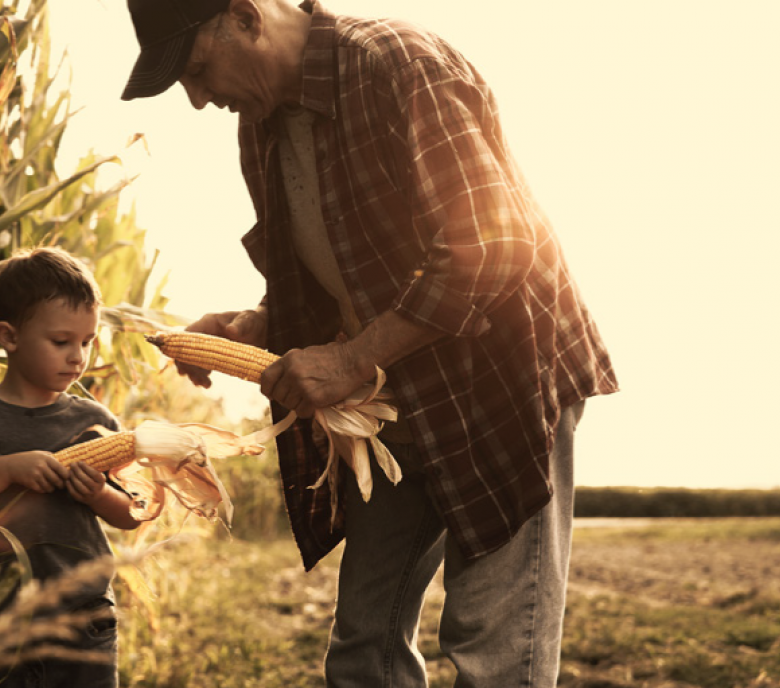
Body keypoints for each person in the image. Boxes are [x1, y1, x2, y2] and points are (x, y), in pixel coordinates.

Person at [121, 0, 619, 685]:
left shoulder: (399, 66)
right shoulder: (260, 122)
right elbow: (335, 269)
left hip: (500, 381)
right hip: (393, 397)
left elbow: (493, 247)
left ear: (244, 16)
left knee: (490, 646)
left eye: (199, 70)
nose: (200, 99)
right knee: (364, 640)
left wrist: (352, 359)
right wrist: (257, 323)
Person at [0, 247, 141, 688]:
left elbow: (131, 514)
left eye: (87, 342)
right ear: (9, 336)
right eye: (61, 342)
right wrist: (5, 470)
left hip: (83, 622)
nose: (78, 357)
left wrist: (97, 494)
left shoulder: (95, 422)